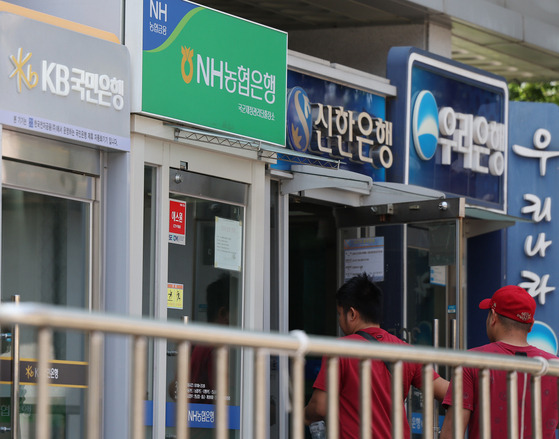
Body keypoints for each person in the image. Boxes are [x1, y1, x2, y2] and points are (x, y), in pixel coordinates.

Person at [304, 273, 449, 439]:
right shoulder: (406, 352)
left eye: (339, 313)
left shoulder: (339, 350)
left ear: (352, 314)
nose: (339, 320)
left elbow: (319, 407)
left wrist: (303, 416)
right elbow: (449, 393)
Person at [440, 285, 559, 439]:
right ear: (530, 326)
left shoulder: (471, 361)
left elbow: (451, 433)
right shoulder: (553, 366)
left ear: (493, 317)